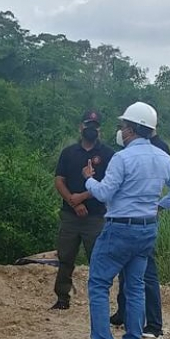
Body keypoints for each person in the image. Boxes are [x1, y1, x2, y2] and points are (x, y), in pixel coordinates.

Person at [77, 102, 170, 339]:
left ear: (130, 130)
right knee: (136, 286)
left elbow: (104, 193)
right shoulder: (163, 158)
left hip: (119, 228)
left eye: (123, 126)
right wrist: (160, 206)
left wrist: (88, 179)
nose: (121, 131)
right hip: (146, 228)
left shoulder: (123, 158)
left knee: (98, 284)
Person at [110, 130, 170, 339]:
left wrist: (158, 206)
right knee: (127, 270)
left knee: (146, 273)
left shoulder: (158, 150)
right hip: (138, 219)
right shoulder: (151, 149)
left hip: (141, 221)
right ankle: (124, 313)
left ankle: (154, 324)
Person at [51, 110, 115, 309]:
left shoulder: (108, 154)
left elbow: (109, 184)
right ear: (80, 127)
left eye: (95, 126)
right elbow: (59, 180)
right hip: (70, 215)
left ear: (99, 129)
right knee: (65, 257)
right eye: (88, 125)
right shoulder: (69, 152)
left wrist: (84, 197)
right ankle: (62, 298)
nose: (91, 129)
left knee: (97, 259)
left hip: (95, 216)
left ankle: (98, 300)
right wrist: (74, 202)